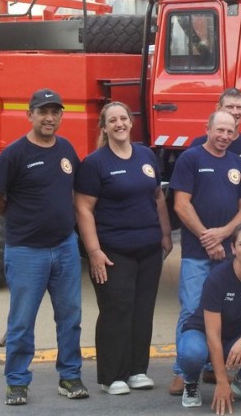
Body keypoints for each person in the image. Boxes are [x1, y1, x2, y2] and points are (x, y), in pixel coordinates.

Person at [0, 88, 89, 405]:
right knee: (22, 321)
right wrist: (18, 217)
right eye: (42, 112)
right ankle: (17, 382)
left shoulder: (67, 150)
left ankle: (70, 377)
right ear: (30, 115)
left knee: (70, 317)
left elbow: (75, 191)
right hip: (26, 251)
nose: (49, 117)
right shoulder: (14, 155)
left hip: (65, 248)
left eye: (55, 112)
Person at [74, 102, 173, 395]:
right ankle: (111, 376)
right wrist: (94, 252)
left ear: (131, 123)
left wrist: (165, 235)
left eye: (123, 118)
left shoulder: (145, 155)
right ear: (104, 127)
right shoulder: (95, 163)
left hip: (149, 249)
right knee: (117, 310)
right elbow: (83, 208)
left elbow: (157, 197)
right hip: (113, 251)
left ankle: (137, 371)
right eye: (112, 120)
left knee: (142, 311)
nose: (119, 124)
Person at [168, 110, 241, 395]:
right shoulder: (191, 158)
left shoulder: (237, 164)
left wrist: (225, 233)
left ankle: (209, 368)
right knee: (192, 310)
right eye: (220, 130)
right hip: (196, 252)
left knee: (225, 311)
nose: (225, 137)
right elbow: (181, 205)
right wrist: (209, 238)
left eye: (230, 132)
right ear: (207, 127)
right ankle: (183, 371)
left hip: (229, 254)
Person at [176, 223, 241, 413]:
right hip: (202, 335)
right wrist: (222, 380)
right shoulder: (218, 277)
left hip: (235, 338)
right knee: (192, 353)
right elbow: (213, 333)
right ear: (233, 248)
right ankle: (191, 382)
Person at [190, 88, 241, 159]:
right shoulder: (198, 144)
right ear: (218, 108)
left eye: (239, 107)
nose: (235, 112)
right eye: (229, 107)